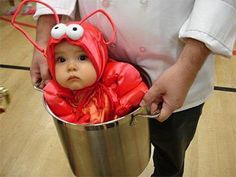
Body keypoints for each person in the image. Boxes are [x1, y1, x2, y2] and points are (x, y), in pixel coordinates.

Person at [30, 0, 236, 176]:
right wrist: (46, 27)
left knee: (171, 151)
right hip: (92, 55)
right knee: (108, 156)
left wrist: (190, 62)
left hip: (174, 61)